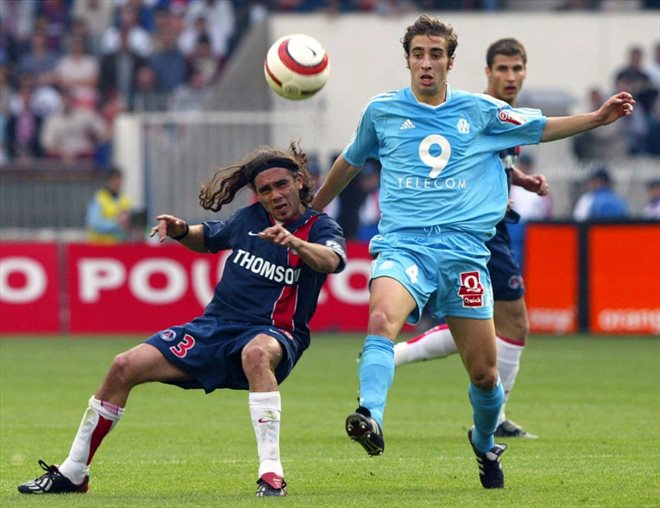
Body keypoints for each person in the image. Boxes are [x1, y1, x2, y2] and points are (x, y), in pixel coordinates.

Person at [310, 14, 634, 489]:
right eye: (418, 54)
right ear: (407, 59)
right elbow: (350, 161)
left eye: (435, 54)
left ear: (450, 61)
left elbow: (539, 126)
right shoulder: (381, 111)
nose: (426, 63)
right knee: (381, 320)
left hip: (464, 254)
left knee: (485, 377)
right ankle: (369, 414)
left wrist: (596, 119)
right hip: (405, 245)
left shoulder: (479, 112)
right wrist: (311, 211)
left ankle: (484, 444)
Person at [18, 143, 347, 497]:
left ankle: (271, 475)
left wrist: (294, 243)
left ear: (299, 181)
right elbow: (207, 238)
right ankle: (73, 472)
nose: (275, 194)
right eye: (265, 189)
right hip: (215, 328)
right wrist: (179, 231)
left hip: (276, 333)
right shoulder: (250, 219)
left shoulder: (319, 227)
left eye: (281, 184)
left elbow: (331, 261)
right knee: (123, 365)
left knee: (255, 354)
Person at [393, 39, 549, 441]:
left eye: (517, 69)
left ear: (526, 72)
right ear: (487, 72)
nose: (510, 77)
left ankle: (393, 355)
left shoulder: (507, 116)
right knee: (512, 322)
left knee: (484, 324)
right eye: (502, 69)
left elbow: (490, 162)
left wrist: (521, 179)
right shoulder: (479, 112)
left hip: (495, 226)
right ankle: (495, 419)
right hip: (480, 232)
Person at [86, 167, 133, 244]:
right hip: (100, 247)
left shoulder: (126, 200)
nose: (118, 184)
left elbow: (130, 225)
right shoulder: (98, 198)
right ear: (108, 181)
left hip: (119, 246)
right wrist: (116, 224)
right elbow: (95, 224)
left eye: (120, 181)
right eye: (115, 181)